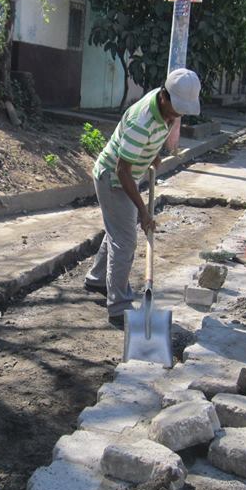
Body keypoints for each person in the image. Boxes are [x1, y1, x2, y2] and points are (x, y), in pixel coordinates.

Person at [83, 69, 201, 328]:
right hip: (113, 178)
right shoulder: (142, 120)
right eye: (174, 109)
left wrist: (152, 155)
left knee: (117, 230)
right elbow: (121, 171)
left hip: (127, 173)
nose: (175, 116)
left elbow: (156, 133)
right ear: (163, 95)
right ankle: (119, 307)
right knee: (124, 240)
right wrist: (143, 211)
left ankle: (96, 278)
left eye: (181, 111)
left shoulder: (164, 108)